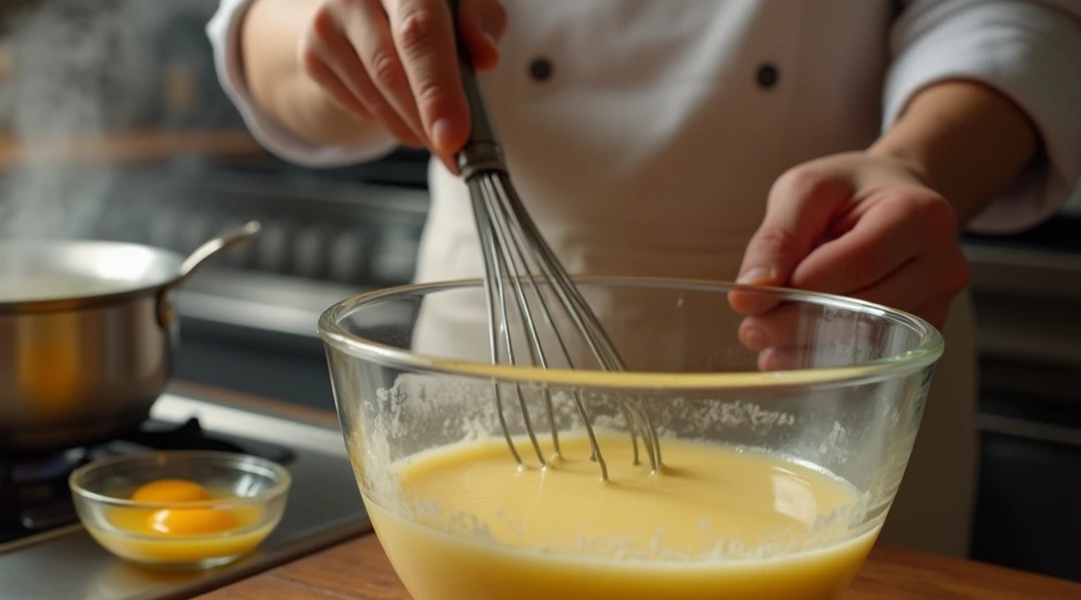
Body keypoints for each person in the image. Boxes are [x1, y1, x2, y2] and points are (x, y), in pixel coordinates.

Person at [206, 0, 1081, 557]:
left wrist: (918, 164)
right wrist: (332, 33)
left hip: (839, 348)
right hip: (490, 343)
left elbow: (1017, 17)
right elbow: (260, 28)